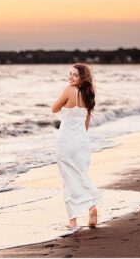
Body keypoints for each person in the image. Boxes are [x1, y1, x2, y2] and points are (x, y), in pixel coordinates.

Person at [50, 63, 101, 230]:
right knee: (81, 175)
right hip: (81, 141)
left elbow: (54, 109)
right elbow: (86, 122)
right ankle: (91, 206)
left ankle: (72, 220)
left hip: (66, 141)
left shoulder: (68, 90)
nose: (70, 77)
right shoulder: (89, 94)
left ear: (82, 78)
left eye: (75, 75)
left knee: (68, 179)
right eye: (70, 74)